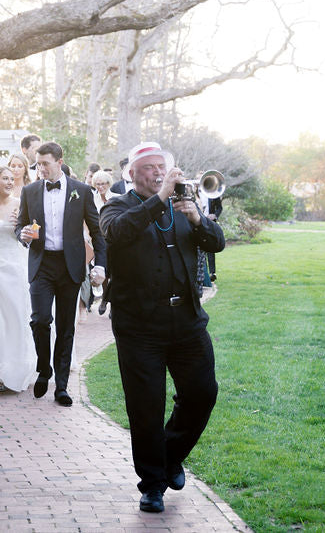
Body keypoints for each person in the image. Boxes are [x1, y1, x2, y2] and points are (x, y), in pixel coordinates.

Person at [99, 141, 225, 514]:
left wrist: (199, 219)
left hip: (186, 322)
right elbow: (117, 233)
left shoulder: (184, 205)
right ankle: (152, 485)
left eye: (162, 167)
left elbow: (217, 243)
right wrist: (160, 199)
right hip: (139, 326)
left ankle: (170, 458)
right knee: (145, 407)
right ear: (132, 174)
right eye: (150, 167)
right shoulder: (117, 206)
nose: (157, 173)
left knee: (203, 393)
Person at [15, 141, 106, 407]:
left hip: (70, 266)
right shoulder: (30, 191)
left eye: (45, 164)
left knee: (66, 327)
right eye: (38, 164)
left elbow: (97, 232)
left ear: (59, 161)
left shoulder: (82, 191)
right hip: (42, 264)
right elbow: (21, 225)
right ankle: (44, 368)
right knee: (40, 320)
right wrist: (22, 235)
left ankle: (62, 386)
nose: (40, 169)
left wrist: (99, 264)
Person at [0, 165, 38, 392]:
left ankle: (15, 370)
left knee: (15, 316)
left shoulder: (20, 204)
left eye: (11, 179)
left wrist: (23, 228)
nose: (9, 182)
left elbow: (34, 234)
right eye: (4, 178)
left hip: (14, 266)